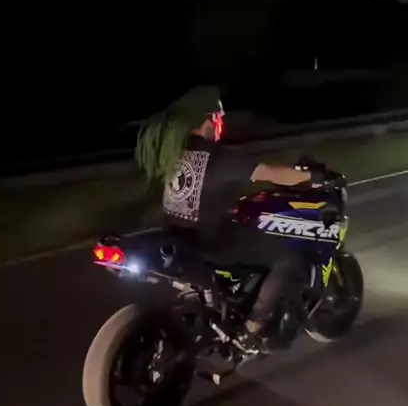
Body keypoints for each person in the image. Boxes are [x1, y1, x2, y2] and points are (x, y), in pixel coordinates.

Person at [135, 86, 322, 339]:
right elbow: (270, 173)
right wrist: (311, 177)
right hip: (210, 241)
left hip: (176, 236)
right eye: (218, 118)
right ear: (206, 121)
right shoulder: (218, 157)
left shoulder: (173, 155)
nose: (220, 123)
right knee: (288, 258)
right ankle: (253, 326)